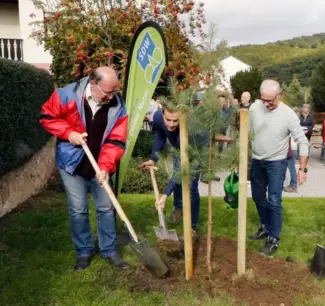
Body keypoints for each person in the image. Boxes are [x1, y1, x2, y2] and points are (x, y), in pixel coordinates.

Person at [39, 67, 129, 271]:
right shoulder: (66, 94)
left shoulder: (118, 105)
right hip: (72, 165)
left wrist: (105, 167)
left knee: (106, 208)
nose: (112, 96)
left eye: (115, 91)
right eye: (108, 92)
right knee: (78, 210)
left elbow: (116, 140)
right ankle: (84, 252)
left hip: (101, 165)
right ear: (93, 83)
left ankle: (109, 250)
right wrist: (69, 133)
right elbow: (47, 117)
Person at [248, 80, 309, 256]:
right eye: (263, 100)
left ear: (279, 94)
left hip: (277, 162)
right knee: (258, 197)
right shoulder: (254, 108)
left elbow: (302, 141)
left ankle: (274, 238)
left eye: (270, 100)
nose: (266, 104)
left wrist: (302, 169)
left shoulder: (288, 115)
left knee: (274, 199)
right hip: (257, 160)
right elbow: (249, 132)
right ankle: (265, 227)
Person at [140, 106, 208, 233]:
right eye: (168, 119)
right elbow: (161, 135)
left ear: (182, 117)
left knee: (191, 187)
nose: (171, 124)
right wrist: (153, 158)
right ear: (163, 113)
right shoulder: (158, 117)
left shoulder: (192, 129)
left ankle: (192, 227)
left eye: (175, 121)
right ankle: (179, 208)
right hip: (178, 146)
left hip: (196, 149)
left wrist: (165, 194)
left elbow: (180, 170)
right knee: (177, 185)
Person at [284, 107, 300, 193]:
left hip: (291, 147)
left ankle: (293, 185)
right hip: (291, 147)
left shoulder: (293, 122)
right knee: (288, 167)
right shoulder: (295, 122)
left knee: (290, 167)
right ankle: (291, 184)